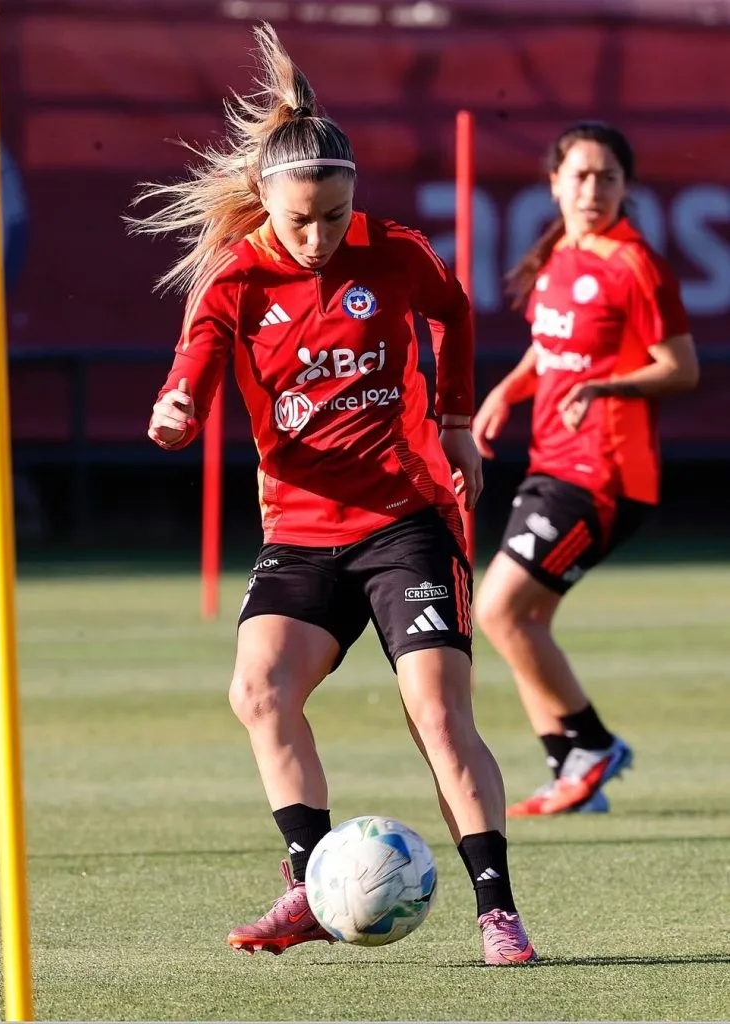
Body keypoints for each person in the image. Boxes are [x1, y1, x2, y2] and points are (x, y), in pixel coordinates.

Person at [129, 23, 535, 965]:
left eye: (335, 216)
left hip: (407, 522)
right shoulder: (235, 279)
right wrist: (175, 412)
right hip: (301, 534)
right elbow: (190, 378)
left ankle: (497, 913)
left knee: (438, 714)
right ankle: (313, 883)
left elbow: (454, 310)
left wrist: (456, 420)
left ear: (355, 198)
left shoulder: (395, 252)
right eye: (300, 221)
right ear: (265, 200)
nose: (318, 238)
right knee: (259, 690)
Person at [472, 122, 699, 817]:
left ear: (627, 187)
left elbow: (681, 368)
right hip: (553, 463)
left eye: (608, 177)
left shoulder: (636, 264)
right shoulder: (560, 255)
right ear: (554, 183)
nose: (593, 189)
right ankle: (571, 772)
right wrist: (506, 392)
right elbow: (549, 349)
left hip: (605, 475)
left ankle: (594, 745)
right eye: (580, 175)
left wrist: (607, 387)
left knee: (499, 612)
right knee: (523, 621)